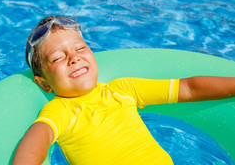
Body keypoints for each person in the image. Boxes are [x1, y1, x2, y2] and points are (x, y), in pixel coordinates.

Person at [12, 15, 235, 165]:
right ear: (44, 84)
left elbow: (187, 88)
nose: (74, 58)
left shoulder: (123, 89)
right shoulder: (60, 110)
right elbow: (38, 139)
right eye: (58, 58)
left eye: (80, 48)